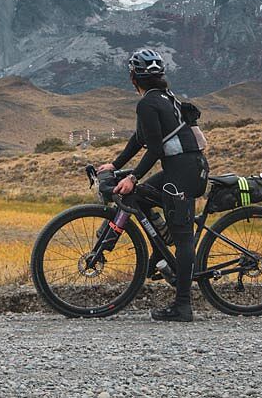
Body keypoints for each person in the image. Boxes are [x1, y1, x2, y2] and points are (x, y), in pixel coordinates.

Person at [97, 48, 207, 322]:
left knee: (183, 239)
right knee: (142, 200)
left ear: (133, 77)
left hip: (183, 172)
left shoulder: (148, 103)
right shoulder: (161, 98)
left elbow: (155, 148)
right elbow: (140, 137)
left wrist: (131, 177)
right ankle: (161, 256)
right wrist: (115, 163)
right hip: (183, 167)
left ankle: (183, 306)